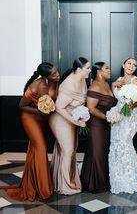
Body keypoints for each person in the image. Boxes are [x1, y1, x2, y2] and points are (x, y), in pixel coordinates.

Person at [0, 62, 60, 201]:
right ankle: (43, 189)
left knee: (34, 151)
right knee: (41, 148)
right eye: (54, 74)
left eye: (57, 71)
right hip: (30, 119)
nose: (58, 74)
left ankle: (32, 184)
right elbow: (22, 105)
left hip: (43, 120)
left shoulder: (56, 81)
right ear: (46, 77)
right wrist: (40, 110)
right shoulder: (36, 85)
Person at [49, 57, 91, 195]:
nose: (90, 71)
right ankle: (66, 186)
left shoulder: (82, 80)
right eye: (88, 68)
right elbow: (59, 107)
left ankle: (63, 181)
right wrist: (76, 121)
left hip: (71, 119)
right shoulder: (69, 85)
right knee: (68, 151)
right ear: (79, 69)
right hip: (60, 120)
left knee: (72, 151)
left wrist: (81, 115)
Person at [108, 57, 137, 194]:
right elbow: (115, 96)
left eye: (134, 65)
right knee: (116, 142)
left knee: (125, 142)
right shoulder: (117, 81)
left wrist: (131, 105)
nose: (131, 66)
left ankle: (128, 175)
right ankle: (117, 174)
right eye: (129, 63)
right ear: (123, 64)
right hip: (119, 114)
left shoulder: (136, 81)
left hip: (130, 116)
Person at [80, 62, 117, 193]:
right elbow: (90, 108)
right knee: (96, 152)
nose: (110, 70)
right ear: (98, 72)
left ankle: (100, 180)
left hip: (105, 124)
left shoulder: (106, 84)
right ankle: (95, 184)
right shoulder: (94, 87)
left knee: (102, 152)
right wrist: (106, 117)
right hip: (96, 124)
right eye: (107, 68)